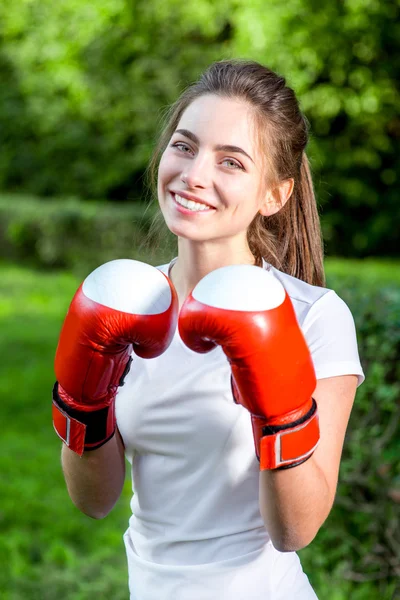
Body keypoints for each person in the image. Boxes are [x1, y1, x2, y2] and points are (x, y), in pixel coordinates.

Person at [52, 60, 365, 599]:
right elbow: (93, 500)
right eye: (184, 146)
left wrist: (278, 409)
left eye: (231, 162)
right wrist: (84, 398)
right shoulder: (124, 304)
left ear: (275, 195)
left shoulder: (315, 316)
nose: (195, 174)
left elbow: (295, 531)